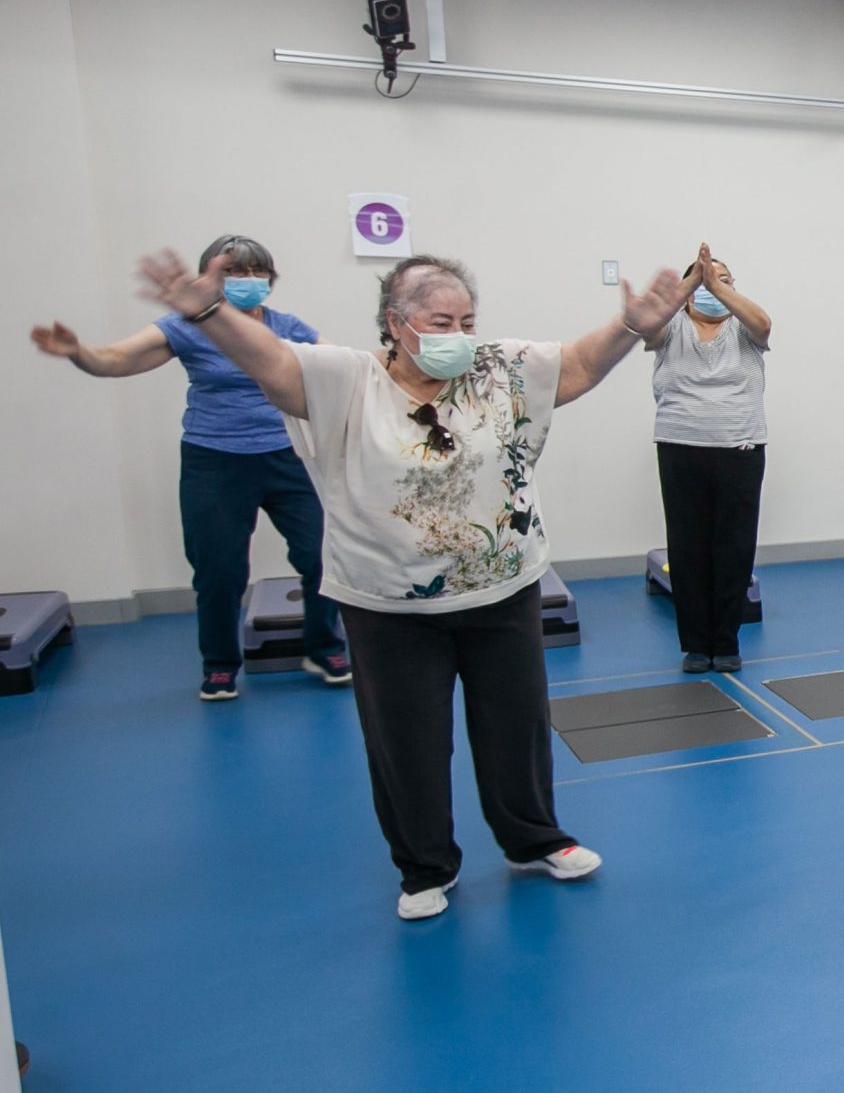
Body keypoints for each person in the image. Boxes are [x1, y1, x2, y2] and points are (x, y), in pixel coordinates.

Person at [133, 247, 688, 921]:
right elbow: (272, 365)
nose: (456, 333)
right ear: (396, 323)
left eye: (466, 319)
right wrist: (212, 312)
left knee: (518, 728)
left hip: (502, 588)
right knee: (408, 741)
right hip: (387, 602)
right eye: (439, 320)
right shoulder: (345, 379)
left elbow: (574, 365)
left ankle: (532, 838)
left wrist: (629, 327)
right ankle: (425, 865)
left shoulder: (498, 368)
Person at [29, 236, 348, 700]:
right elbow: (117, 359)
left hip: (288, 457)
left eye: (257, 273)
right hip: (214, 462)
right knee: (218, 571)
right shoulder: (188, 328)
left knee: (323, 555)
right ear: (208, 280)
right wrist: (80, 352)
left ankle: (322, 646)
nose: (248, 282)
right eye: (234, 274)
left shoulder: (286, 326)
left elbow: (340, 367)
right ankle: (219, 664)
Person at [644, 243, 772, 674]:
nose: (712, 288)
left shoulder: (745, 329)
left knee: (733, 548)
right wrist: (691, 284)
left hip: (740, 449)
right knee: (688, 548)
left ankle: (726, 641)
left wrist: (718, 287)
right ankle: (696, 645)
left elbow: (764, 322)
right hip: (680, 448)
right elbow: (647, 324)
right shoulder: (672, 328)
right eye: (704, 280)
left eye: (724, 279)